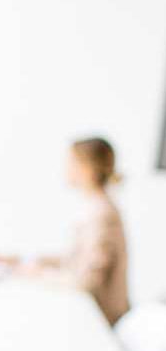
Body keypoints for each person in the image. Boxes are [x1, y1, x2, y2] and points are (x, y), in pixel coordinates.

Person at [31, 137, 130, 325]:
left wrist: (38, 275)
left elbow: (86, 282)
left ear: (87, 168)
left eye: (71, 163)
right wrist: (35, 261)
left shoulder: (103, 214)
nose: (66, 169)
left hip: (102, 322)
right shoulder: (95, 208)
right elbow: (77, 260)